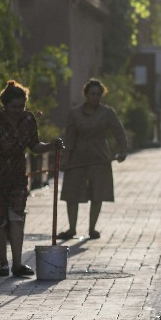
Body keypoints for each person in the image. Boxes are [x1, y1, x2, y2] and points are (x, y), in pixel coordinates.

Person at [0, 80, 63, 277]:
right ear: (5, 105)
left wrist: (51, 145)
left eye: (21, 106)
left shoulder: (28, 119)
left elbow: (34, 145)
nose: (18, 110)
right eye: (14, 107)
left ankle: (17, 264)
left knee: (17, 218)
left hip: (18, 176)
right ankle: (3, 263)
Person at [58, 79, 130, 240]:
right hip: (77, 159)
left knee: (98, 193)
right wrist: (65, 158)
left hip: (99, 159)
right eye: (92, 94)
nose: (95, 97)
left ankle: (92, 228)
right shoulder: (75, 113)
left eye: (98, 94)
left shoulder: (107, 112)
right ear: (86, 94)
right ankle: (71, 229)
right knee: (72, 194)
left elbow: (119, 131)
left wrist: (123, 150)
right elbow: (69, 138)